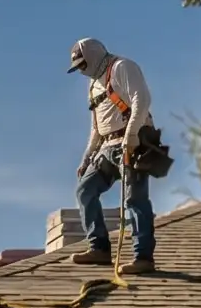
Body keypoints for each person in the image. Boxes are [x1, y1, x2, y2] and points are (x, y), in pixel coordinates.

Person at [68, 37, 162, 273]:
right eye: (78, 66)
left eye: (82, 63)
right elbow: (97, 126)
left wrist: (131, 135)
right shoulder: (92, 85)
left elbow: (142, 99)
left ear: (92, 55)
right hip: (107, 148)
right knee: (85, 190)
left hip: (133, 142)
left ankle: (143, 258)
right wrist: (87, 157)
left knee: (134, 200)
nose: (82, 69)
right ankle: (98, 248)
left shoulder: (121, 67)